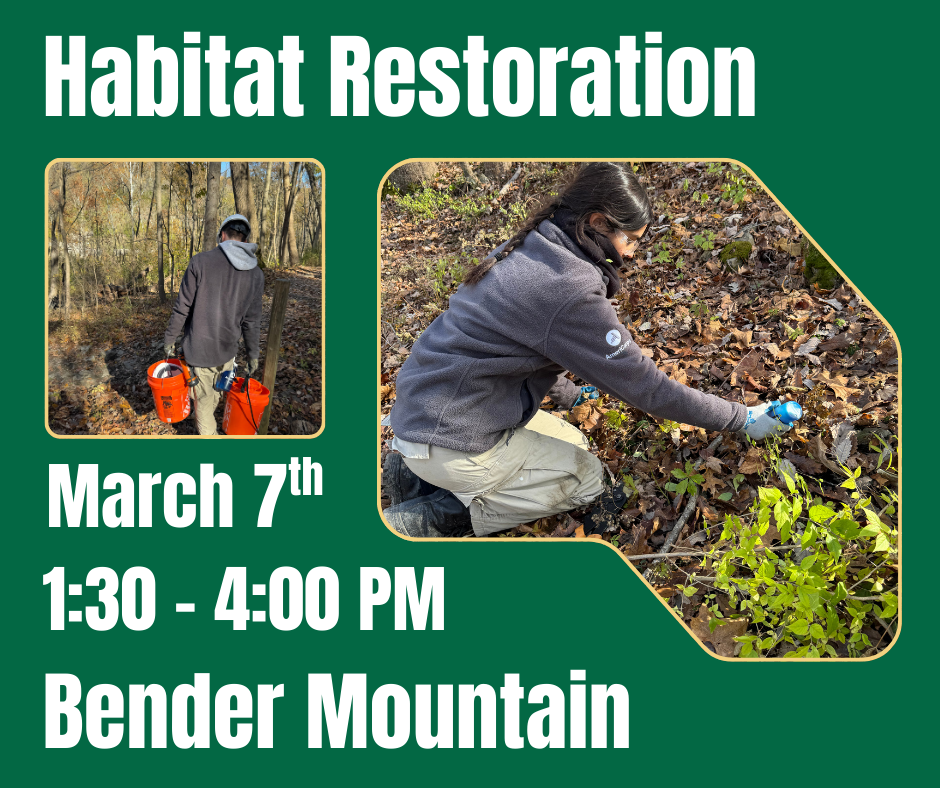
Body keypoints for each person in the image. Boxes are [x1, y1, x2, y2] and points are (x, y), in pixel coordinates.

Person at [384, 162, 797, 538]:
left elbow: (510, 348)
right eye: (630, 240)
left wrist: (570, 395)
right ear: (597, 222)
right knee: (588, 479)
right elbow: (647, 388)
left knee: (574, 441)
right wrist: (741, 418)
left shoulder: (536, 245)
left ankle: (412, 472)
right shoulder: (568, 290)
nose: (631, 254)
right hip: (450, 433)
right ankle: (429, 519)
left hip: (424, 407)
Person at [163, 213, 264, 435]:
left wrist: (169, 339)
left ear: (222, 236)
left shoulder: (200, 262)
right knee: (212, 398)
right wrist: (253, 354)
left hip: (200, 352)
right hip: (228, 352)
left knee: (205, 405)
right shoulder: (256, 274)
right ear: (245, 240)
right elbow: (252, 321)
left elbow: (182, 307)